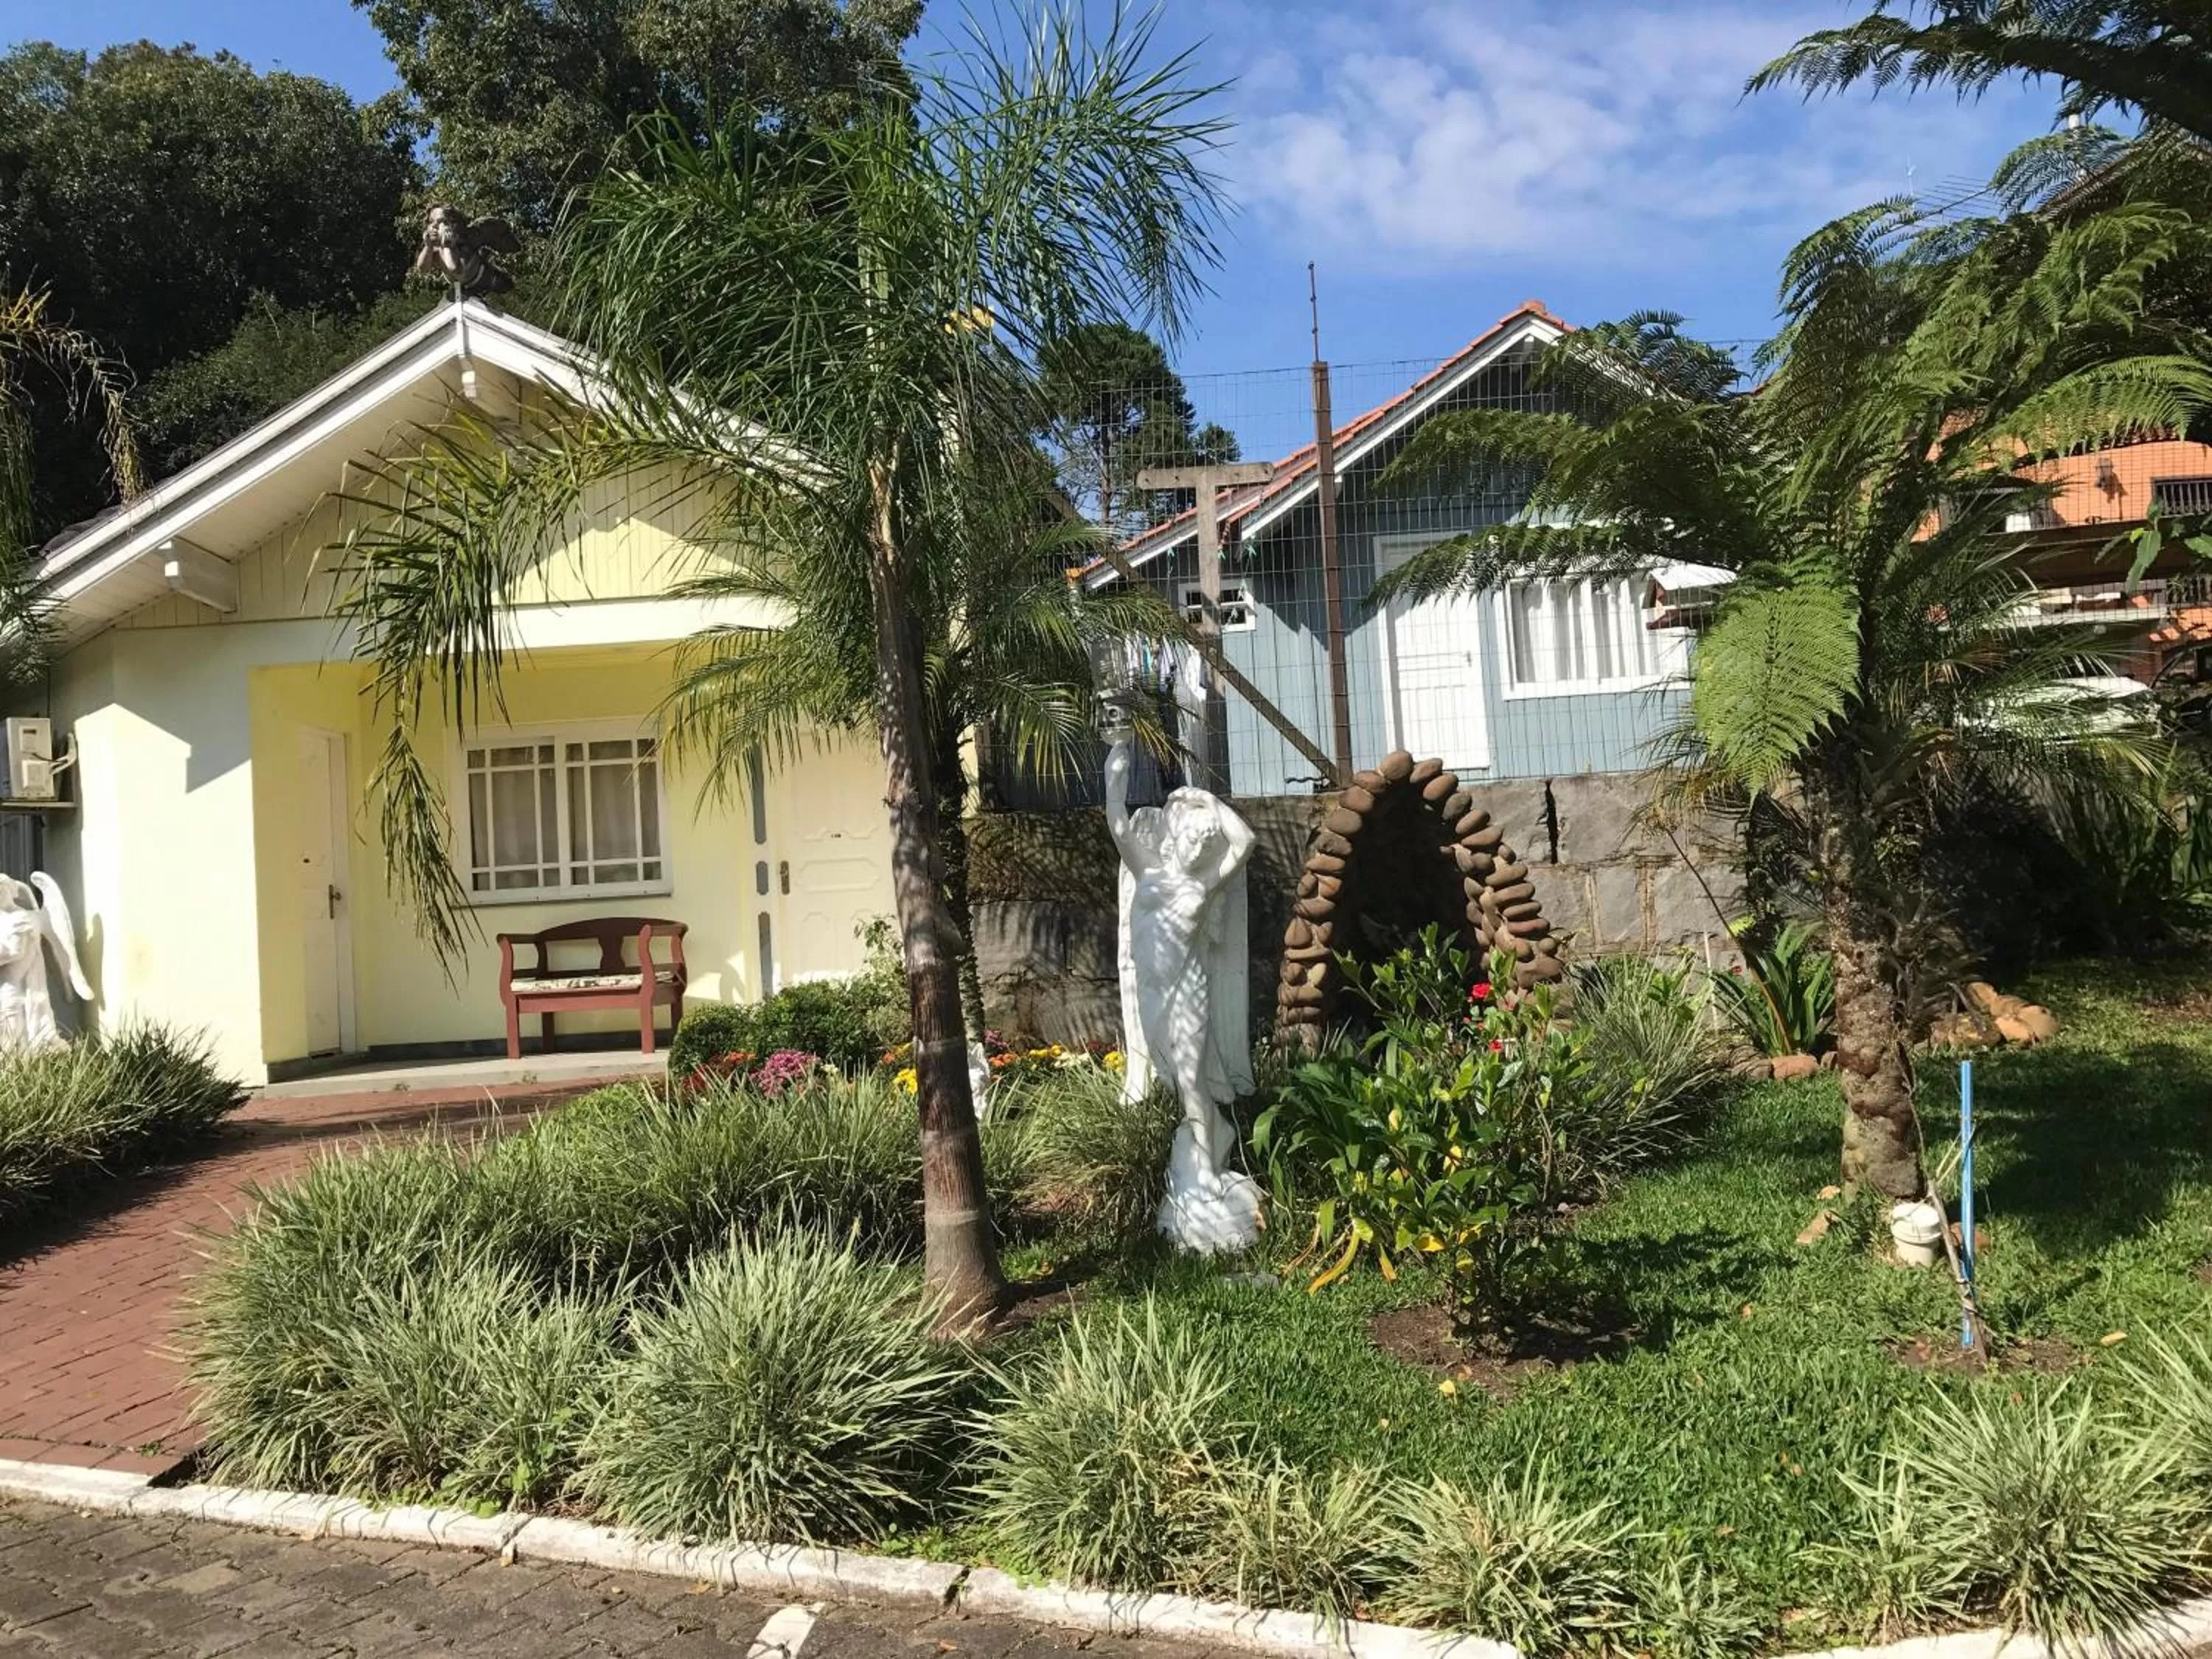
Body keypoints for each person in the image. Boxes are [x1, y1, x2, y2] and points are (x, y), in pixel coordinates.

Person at [1104, 726, 1261, 1250]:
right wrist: (1114, 778)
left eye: (1204, 840)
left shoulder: (1204, 884)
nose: (1199, 845)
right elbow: (1120, 827)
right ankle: (1212, 1137)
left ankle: (1208, 1166)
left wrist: (1205, 802)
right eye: (1192, 836)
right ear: (1174, 838)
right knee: (1172, 1076)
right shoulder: (1149, 870)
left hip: (1189, 991)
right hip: (1151, 995)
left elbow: (1245, 842)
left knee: (1191, 1076)